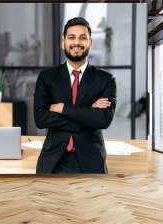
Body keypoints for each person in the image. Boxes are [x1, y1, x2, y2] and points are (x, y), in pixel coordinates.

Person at [33, 17, 117, 174]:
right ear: (63, 42)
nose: (76, 42)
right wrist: (87, 111)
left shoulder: (105, 80)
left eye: (82, 37)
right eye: (71, 37)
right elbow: (41, 118)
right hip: (53, 159)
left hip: (91, 159)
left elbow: (103, 120)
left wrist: (63, 108)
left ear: (90, 43)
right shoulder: (47, 77)